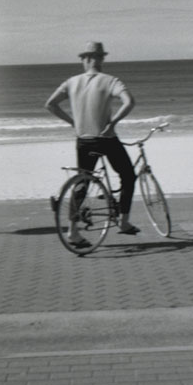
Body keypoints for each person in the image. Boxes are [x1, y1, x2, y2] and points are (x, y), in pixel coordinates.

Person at [45, 41, 139, 248]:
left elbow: (50, 105)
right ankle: (124, 222)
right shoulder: (111, 81)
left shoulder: (72, 82)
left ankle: (73, 231)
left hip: (84, 140)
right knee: (128, 176)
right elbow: (129, 102)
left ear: (85, 59)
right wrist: (113, 123)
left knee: (83, 181)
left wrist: (73, 122)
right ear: (101, 59)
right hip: (106, 139)